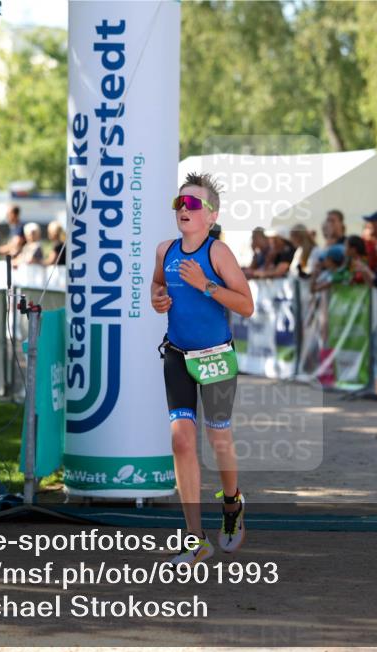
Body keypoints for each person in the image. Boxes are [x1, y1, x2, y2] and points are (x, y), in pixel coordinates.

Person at [151, 172, 254, 566]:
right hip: (177, 355)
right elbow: (157, 286)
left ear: (211, 215)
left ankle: (231, 504)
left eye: (193, 204)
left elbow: (246, 305)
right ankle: (195, 539)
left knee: (218, 439)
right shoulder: (165, 250)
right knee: (181, 440)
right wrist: (158, 299)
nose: (184, 209)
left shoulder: (217, 254)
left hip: (215, 357)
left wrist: (206, 286)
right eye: (180, 203)